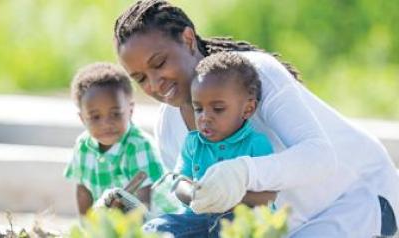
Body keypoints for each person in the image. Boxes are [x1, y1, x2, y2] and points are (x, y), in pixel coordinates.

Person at [113, 0, 399, 236]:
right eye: (140, 78)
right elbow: (196, 204)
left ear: (188, 39)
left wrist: (243, 173)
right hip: (286, 226)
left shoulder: (254, 75)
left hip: (360, 200)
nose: (155, 84)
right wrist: (136, 216)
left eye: (160, 63)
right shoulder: (169, 125)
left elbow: (320, 156)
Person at [144, 52, 275, 237]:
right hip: (198, 217)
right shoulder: (193, 142)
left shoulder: (256, 143)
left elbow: (268, 195)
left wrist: (227, 198)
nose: (205, 117)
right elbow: (180, 181)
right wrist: (194, 195)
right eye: (198, 109)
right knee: (154, 228)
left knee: (227, 227)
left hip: (240, 219)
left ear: (248, 108)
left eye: (218, 109)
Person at [64, 62, 165, 215]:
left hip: (153, 220)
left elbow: (145, 200)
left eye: (116, 114)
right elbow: (83, 191)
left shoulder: (138, 145)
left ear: (130, 110)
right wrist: (89, 229)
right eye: (95, 117)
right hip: (111, 219)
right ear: (82, 119)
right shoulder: (83, 146)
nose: (106, 124)